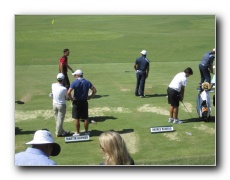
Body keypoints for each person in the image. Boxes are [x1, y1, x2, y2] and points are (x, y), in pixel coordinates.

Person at [67, 69, 97, 136]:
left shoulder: (74, 82)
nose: (74, 76)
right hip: (84, 101)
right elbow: (94, 90)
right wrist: (90, 96)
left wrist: (71, 99)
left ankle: (77, 133)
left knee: (77, 118)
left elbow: (68, 92)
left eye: (75, 75)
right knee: (85, 118)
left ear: (77, 75)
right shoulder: (87, 82)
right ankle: (86, 132)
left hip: (76, 102)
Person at [51, 73, 70, 137]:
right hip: (61, 105)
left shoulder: (53, 85)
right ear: (63, 80)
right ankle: (58, 133)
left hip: (54, 104)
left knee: (57, 119)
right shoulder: (64, 89)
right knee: (60, 120)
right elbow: (67, 97)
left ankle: (62, 131)